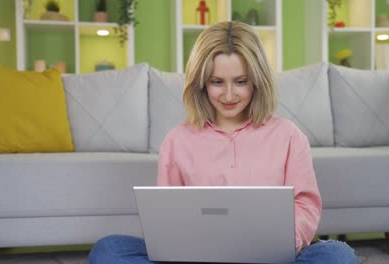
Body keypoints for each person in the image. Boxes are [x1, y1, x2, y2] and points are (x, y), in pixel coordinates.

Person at [89, 21, 359, 264]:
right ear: (201, 84)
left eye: (240, 81)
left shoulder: (288, 136)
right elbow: (166, 217)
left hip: (271, 257)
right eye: (217, 82)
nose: (229, 95)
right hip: (197, 258)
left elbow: (305, 205)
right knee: (109, 250)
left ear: (257, 81)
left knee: (337, 255)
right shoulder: (177, 140)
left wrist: (280, 243)